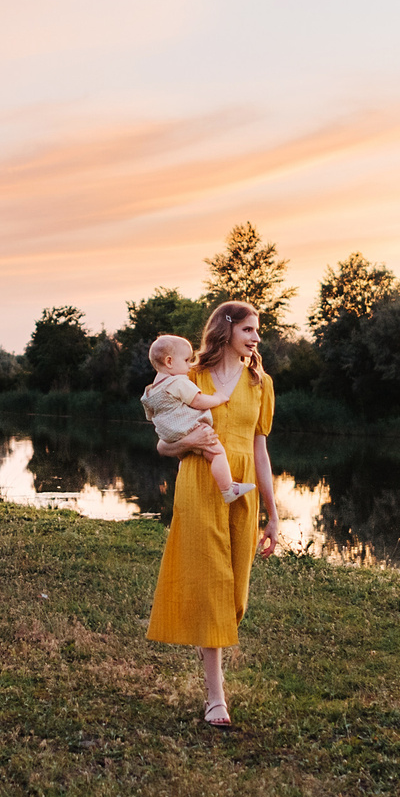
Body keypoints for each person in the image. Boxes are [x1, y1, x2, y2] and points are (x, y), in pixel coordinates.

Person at [144, 300, 279, 728]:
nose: (257, 338)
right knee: (209, 586)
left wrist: (273, 515)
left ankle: (213, 677)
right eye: (250, 329)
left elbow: (260, 450)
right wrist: (192, 444)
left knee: (234, 593)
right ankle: (215, 697)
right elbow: (164, 444)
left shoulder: (261, 383)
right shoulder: (188, 377)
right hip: (200, 484)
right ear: (226, 330)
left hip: (243, 491)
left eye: (257, 331)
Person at [140, 334, 254, 504]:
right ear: (169, 362)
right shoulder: (177, 382)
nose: (189, 365)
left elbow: (152, 416)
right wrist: (218, 398)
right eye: (186, 360)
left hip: (168, 435)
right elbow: (198, 401)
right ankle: (228, 488)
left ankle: (184, 467)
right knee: (217, 453)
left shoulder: (149, 392)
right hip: (190, 428)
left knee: (195, 454)